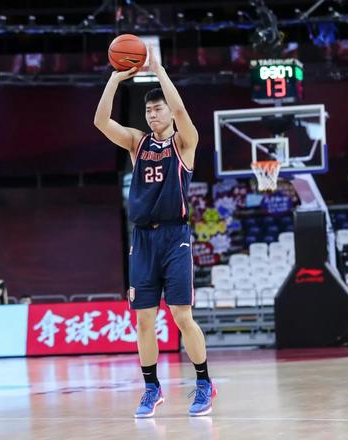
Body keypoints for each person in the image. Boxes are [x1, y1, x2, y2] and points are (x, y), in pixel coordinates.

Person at [94, 46, 215, 418]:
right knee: (144, 319)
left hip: (175, 237)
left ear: (169, 113)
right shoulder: (137, 142)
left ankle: (204, 383)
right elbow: (101, 121)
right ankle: (151, 388)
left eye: (158, 108)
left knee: (181, 315)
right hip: (143, 239)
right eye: (148, 110)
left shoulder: (184, 142)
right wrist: (115, 78)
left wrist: (159, 70)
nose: (152, 114)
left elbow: (181, 112)